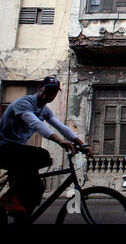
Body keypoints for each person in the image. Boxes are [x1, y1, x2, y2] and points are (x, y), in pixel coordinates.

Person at [0, 76, 93, 220]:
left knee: (37, 187)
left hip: (16, 152)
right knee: (41, 155)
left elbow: (61, 127)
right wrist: (60, 141)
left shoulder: (44, 110)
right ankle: (9, 197)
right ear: (39, 89)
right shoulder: (24, 103)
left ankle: (21, 216)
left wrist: (82, 144)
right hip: (4, 148)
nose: (50, 95)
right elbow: (37, 124)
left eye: (54, 92)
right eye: (48, 90)